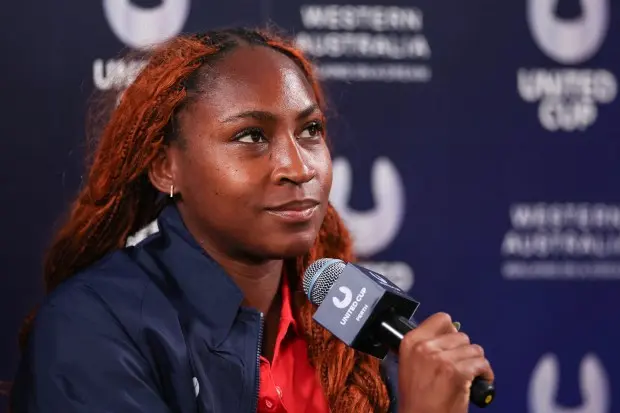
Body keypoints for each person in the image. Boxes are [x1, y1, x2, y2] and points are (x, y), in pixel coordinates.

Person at [10, 27, 494, 413]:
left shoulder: (352, 313)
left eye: (310, 130)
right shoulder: (90, 327)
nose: (298, 167)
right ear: (164, 167)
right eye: (251, 136)